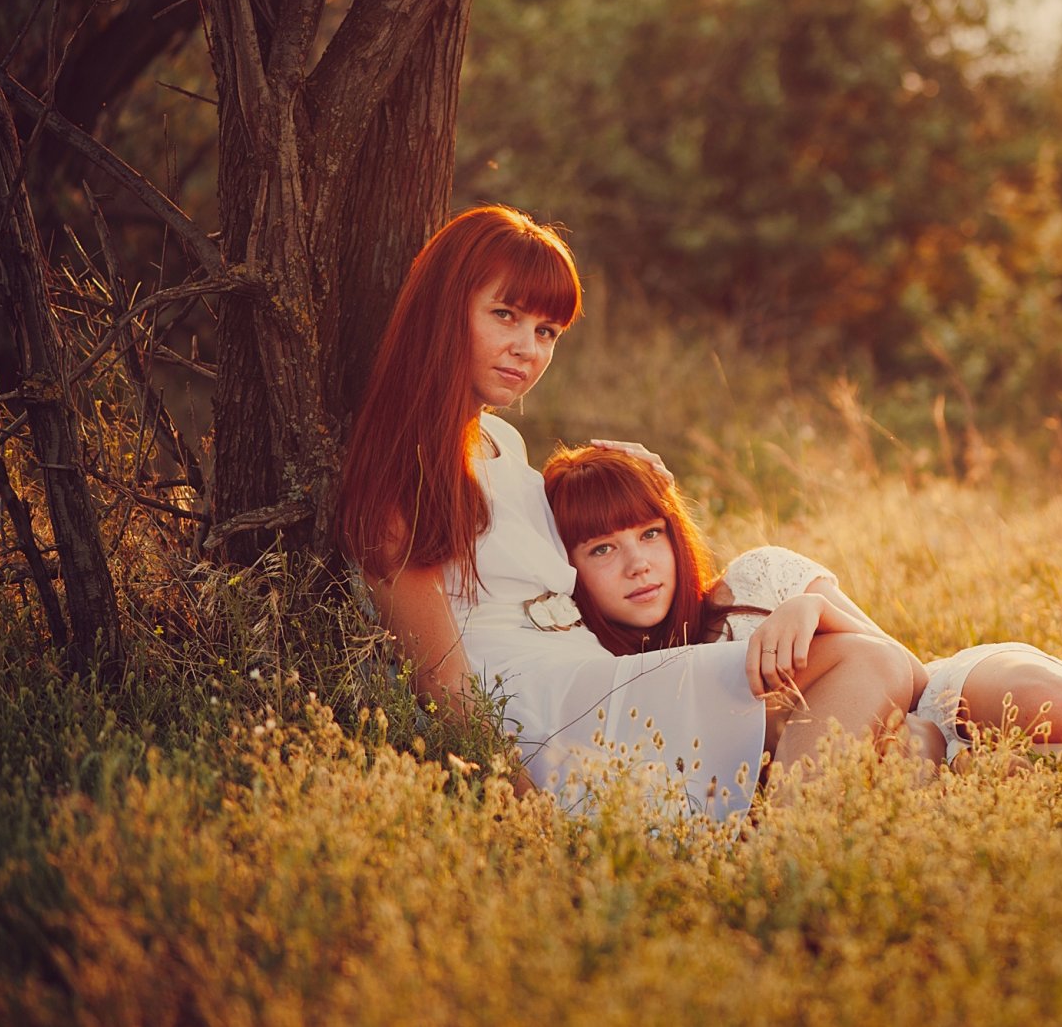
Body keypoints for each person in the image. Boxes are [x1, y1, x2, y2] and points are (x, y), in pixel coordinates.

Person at [337, 205, 921, 815]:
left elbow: (586, 544)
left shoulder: (501, 444)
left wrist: (647, 484)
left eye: (546, 332)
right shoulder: (401, 471)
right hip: (544, 715)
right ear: (443, 310)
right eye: (504, 315)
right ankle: (780, 859)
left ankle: (777, 842)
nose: (526, 350)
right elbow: (441, 682)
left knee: (886, 713)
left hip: (600, 683)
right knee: (864, 662)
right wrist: (530, 815)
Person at [541, 443, 1062, 796]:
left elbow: (900, 668)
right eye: (604, 549)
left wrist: (815, 606)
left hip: (942, 694)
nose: (639, 561)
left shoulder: (756, 580)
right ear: (570, 570)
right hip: (909, 778)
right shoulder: (617, 679)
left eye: (650, 533)